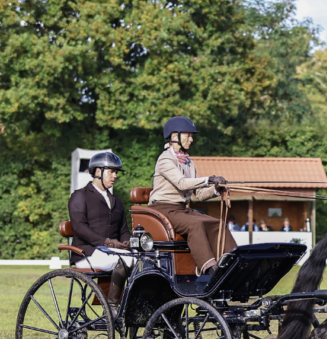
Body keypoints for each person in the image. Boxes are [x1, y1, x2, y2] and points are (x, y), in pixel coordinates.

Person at [147, 116, 237, 276]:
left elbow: (200, 195)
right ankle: (210, 270)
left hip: (182, 210)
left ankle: (233, 264)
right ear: (175, 137)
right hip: (163, 210)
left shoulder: (188, 162)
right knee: (195, 225)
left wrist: (216, 189)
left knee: (218, 224)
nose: (192, 139)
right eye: (188, 135)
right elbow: (182, 183)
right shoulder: (165, 159)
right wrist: (208, 179)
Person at [68, 151, 135, 316]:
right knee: (124, 260)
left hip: (110, 252)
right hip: (86, 253)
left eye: (116, 172)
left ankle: (133, 306)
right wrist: (108, 242)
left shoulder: (116, 202)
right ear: (98, 172)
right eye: (111, 171)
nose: (115, 176)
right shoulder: (79, 196)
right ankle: (111, 309)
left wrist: (127, 243)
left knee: (142, 261)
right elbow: (80, 228)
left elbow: (124, 231)